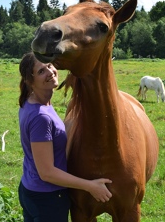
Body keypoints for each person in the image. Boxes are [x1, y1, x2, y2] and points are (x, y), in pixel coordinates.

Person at [18, 52, 112, 222]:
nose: (50, 72)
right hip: (47, 198)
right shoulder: (41, 117)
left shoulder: (30, 102)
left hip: (30, 190)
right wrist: (90, 186)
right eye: (41, 71)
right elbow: (47, 173)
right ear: (29, 81)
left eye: (50, 66)